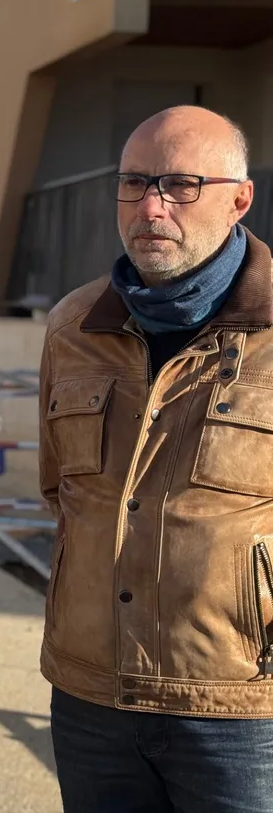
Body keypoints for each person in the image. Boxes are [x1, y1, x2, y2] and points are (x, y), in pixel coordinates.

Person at [38, 106, 273, 812]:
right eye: (136, 182)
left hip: (239, 707)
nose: (151, 206)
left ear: (240, 198)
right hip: (90, 694)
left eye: (179, 184)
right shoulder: (73, 327)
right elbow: (62, 493)